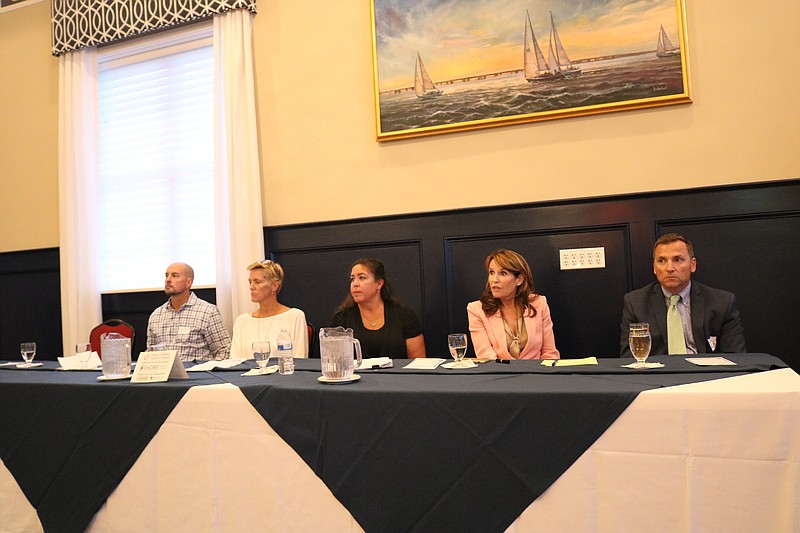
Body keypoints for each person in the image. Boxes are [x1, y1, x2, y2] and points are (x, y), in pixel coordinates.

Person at [620, 233, 746, 356]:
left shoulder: (722, 302)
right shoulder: (635, 303)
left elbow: (735, 357)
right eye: (662, 261)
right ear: (654, 267)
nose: (669, 268)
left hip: (707, 373)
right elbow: (629, 358)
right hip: (657, 374)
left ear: (693, 264)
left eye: (677, 260)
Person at [467, 249, 560, 360]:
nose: (494, 280)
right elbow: (487, 359)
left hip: (537, 374)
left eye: (503, 273)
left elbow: (549, 352)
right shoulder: (476, 310)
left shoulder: (539, 303)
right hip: (499, 375)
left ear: (519, 279)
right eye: (492, 272)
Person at [330, 258, 426, 358]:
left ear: (379, 284)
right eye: (352, 279)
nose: (355, 284)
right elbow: (334, 362)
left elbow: (418, 363)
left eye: (362, 278)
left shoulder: (404, 315)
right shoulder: (341, 318)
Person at [146, 262, 231, 362]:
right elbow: (150, 353)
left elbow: (224, 351)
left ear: (188, 282)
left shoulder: (207, 311)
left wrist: (210, 372)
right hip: (164, 375)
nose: (168, 280)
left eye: (175, 275)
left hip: (199, 375)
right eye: (166, 275)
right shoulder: (156, 315)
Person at [230, 260, 309, 359]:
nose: (251, 287)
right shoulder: (241, 321)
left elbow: (300, 360)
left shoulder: (295, 317)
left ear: (274, 286)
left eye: (257, 282)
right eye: (250, 282)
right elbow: (235, 362)